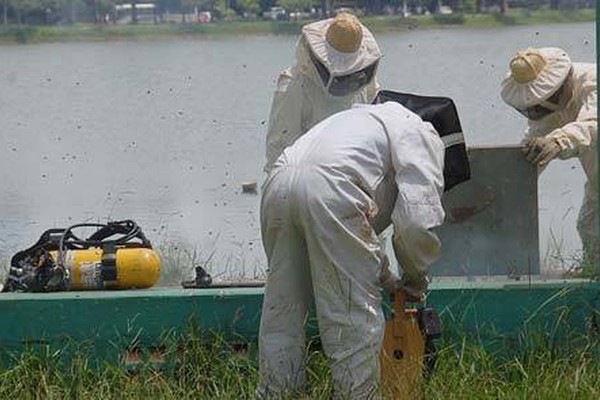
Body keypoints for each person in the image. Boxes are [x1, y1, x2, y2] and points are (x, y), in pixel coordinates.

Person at [257, 102, 445, 398]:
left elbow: (353, 241)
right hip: (332, 189)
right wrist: (415, 278)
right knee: (352, 323)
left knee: (283, 313)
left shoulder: (358, 120)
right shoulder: (419, 133)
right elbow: (417, 224)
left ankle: (276, 393)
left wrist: (387, 277)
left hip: (278, 185)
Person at [500, 47, 598, 264]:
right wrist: (504, 190)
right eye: (533, 107)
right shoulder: (550, 104)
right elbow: (536, 142)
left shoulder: (593, 83)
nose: (537, 112)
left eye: (540, 105)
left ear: (559, 88)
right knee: (590, 227)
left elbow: (592, 126)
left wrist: (558, 141)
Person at [264, 12, 382, 173]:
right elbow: (279, 148)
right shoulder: (295, 84)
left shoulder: (361, 78)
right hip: (305, 175)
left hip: (351, 170)